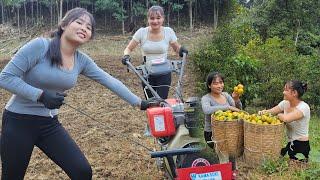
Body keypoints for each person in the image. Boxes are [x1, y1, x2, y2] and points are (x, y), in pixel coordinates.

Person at [0, 7, 157, 179]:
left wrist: (139, 102)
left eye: (88, 27)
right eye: (79, 22)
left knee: (82, 172)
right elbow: (5, 77)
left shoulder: (82, 60)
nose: (84, 28)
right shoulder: (40, 46)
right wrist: (41, 95)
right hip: (18, 122)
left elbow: (110, 80)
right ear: (64, 25)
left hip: (49, 123)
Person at [122, 5, 188, 100]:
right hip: (147, 72)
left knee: (162, 101)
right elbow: (128, 49)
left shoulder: (168, 32)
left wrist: (182, 50)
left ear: (163, 19)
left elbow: (177, 48)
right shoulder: (141, 32)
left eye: (158, 18)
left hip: (164, 72)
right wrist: (126, 56)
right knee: (151, 101)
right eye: (152, 18)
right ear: (148, 19)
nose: (155, 21)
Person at [258, 80, 310, 163]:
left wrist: (279, 115)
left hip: (301, 145)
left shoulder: (304, 107)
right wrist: (262, 113)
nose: (283, 92)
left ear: (294, 93)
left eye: (286, 90)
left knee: (292, 167)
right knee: (275, 158)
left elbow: (286, 119)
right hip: (290, 143)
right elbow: (271, 111)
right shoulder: (285, 103)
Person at [201, 72, 242, 163]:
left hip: (229, 131)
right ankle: (224, 172)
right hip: (212, 133)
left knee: (232, 153)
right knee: (224, 154)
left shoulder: (226, 95)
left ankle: (232, 171)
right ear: (209, 85)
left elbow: (238, 110)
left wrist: (236, 99)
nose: (219, 85)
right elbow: (206, 110)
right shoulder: (206, 98)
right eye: (215, 83)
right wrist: (227, 107)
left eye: (221, 82)